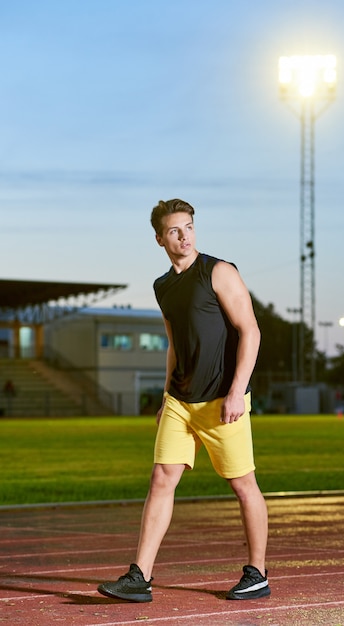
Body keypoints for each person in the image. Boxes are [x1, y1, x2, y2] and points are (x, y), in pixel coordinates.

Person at [98, 199, 269, 603]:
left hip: (222, 400)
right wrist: (165, 396)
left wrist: (236, 391)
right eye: (175, 231)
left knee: (243, 484)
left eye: (189, 227)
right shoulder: (163, 287)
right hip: (180, 399)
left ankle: (258, 572)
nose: (185, 236)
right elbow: (174, 346)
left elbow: (251, 331)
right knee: (161, 479)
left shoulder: (219, 271)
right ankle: (139, 577)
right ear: (159, 238)